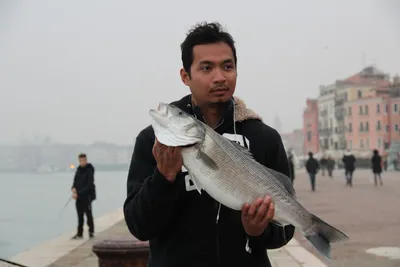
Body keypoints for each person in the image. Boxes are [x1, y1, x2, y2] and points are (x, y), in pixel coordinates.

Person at [123, 22, 295, 267]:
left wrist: (259, 231)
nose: (220, 77)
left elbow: (285, 231)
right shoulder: (154, 141)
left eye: (228, 66)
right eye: (206, 68)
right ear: (186, 76)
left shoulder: (265, 138)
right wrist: (163, 177)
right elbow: (139, 226)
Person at [71, 153, 96, 239]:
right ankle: (79, 233)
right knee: (79, 215)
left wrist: (79, 193)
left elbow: (89, 185)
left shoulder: (89, 170)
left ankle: (91, 231)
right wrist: (73, 189)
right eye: (81, 160)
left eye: (84, 160)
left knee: (88, 214)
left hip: (87, 196)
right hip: (79, 197)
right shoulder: (78, 170)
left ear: (86, 160)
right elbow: (75, 181)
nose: (82, 162)